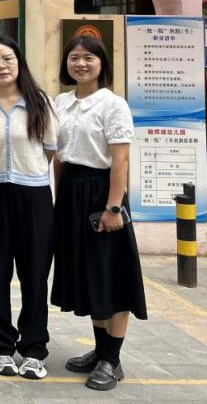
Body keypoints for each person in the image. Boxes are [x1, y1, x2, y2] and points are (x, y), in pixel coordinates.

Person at [51, 35, 147, 392]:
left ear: (102, 63)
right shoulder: (61, 102)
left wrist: (113, 208)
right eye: (74, 57)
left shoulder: (113, 104)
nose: (81, 64)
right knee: (91, 276)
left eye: (88, 58)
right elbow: (58, 156)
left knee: (113, 276)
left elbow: (120, 160)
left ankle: (112, 359)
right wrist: (58, 200)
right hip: (72, 192)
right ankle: (100, 350)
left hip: (103, 192)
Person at [0, 34, 57, 380]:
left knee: (34, 276)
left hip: (33, 196)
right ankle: (1, 347)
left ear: (19, 62)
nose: (1, 65)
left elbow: (49, 150)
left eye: (7, 58)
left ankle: (34, 349)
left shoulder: (40, 102)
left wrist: (27, 173)